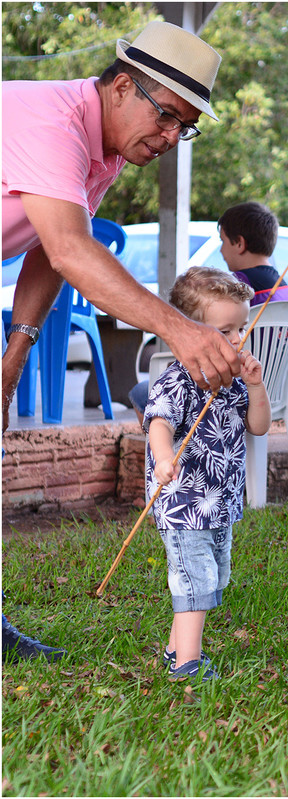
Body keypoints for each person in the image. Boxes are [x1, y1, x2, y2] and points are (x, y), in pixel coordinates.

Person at [1, 20, 236, 663]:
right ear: (124, 86)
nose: (171, 138)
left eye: (185, 128)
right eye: (167, 117)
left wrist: (17, 351)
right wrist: (181, 328)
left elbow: (47, 249)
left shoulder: (101, 151)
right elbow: (73, 251)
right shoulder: (53, 123)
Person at [144, 267, 270, 683]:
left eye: (241, 328)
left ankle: (174, 649)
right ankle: (188, 664)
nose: (237, 339)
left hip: (219, 503)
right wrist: (164, 458)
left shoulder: (233, 380)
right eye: (225, 331)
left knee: (210, 577)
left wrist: (256, 387)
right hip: (183, 502)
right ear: (190, 332)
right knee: (195, 580)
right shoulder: (178, 380)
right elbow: (159, 423)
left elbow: (259, 427)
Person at [126, 200, 288, 419]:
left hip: (236, 385)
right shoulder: (283, 288)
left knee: (141, 392)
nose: (221, 250)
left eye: (223, 241)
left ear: (239, 244)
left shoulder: (234, 289)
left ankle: (163, 440)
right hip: (278, 393)